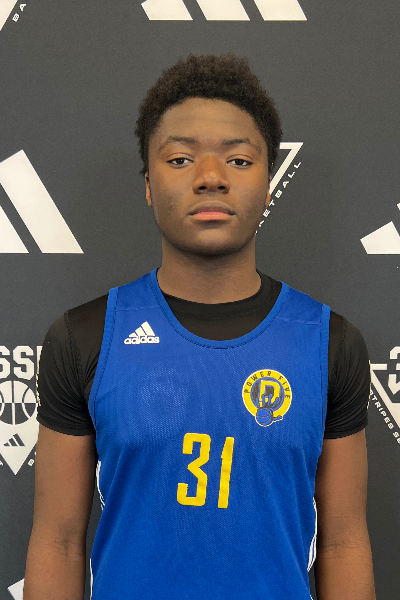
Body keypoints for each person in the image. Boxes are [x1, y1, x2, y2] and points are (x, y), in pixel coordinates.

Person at [24, 54, 375, 600]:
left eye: (238, 160)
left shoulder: (330, 342)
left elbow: (343, 543)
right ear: (148, 183)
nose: (211, 178)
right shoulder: (86, 336)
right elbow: (59, 542)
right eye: (181, 158)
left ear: (268, 181)